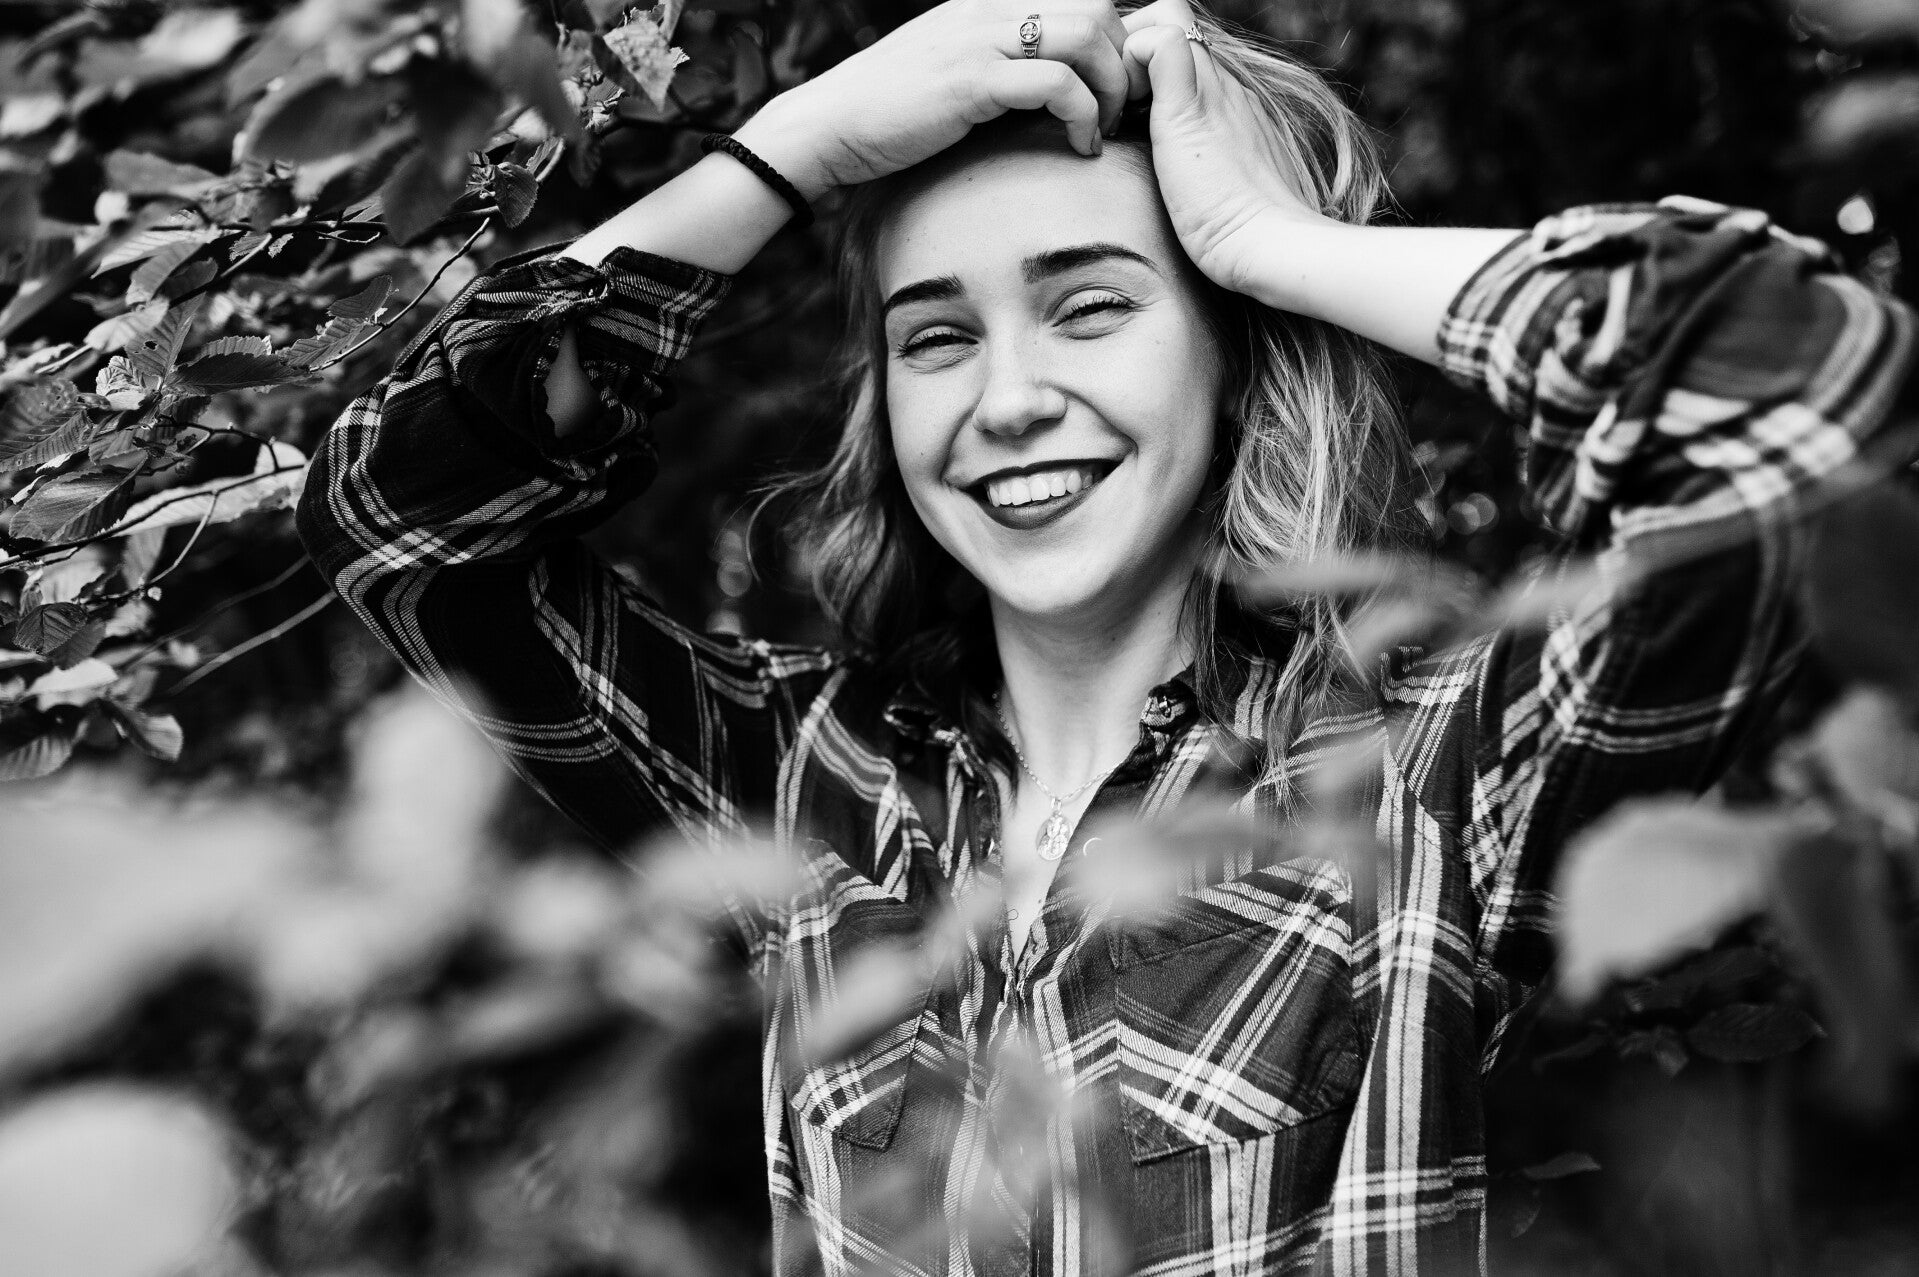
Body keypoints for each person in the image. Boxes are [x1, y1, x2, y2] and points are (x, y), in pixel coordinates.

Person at [296, 0, 1916, 1269]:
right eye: (937, 339)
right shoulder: (800, 792)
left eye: (1092, 305)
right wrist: (797, 148)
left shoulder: (1433, 769)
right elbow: (398, 518)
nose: (1005, 401)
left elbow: (1808, 395)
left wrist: (1275, 245)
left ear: (1237, 360)